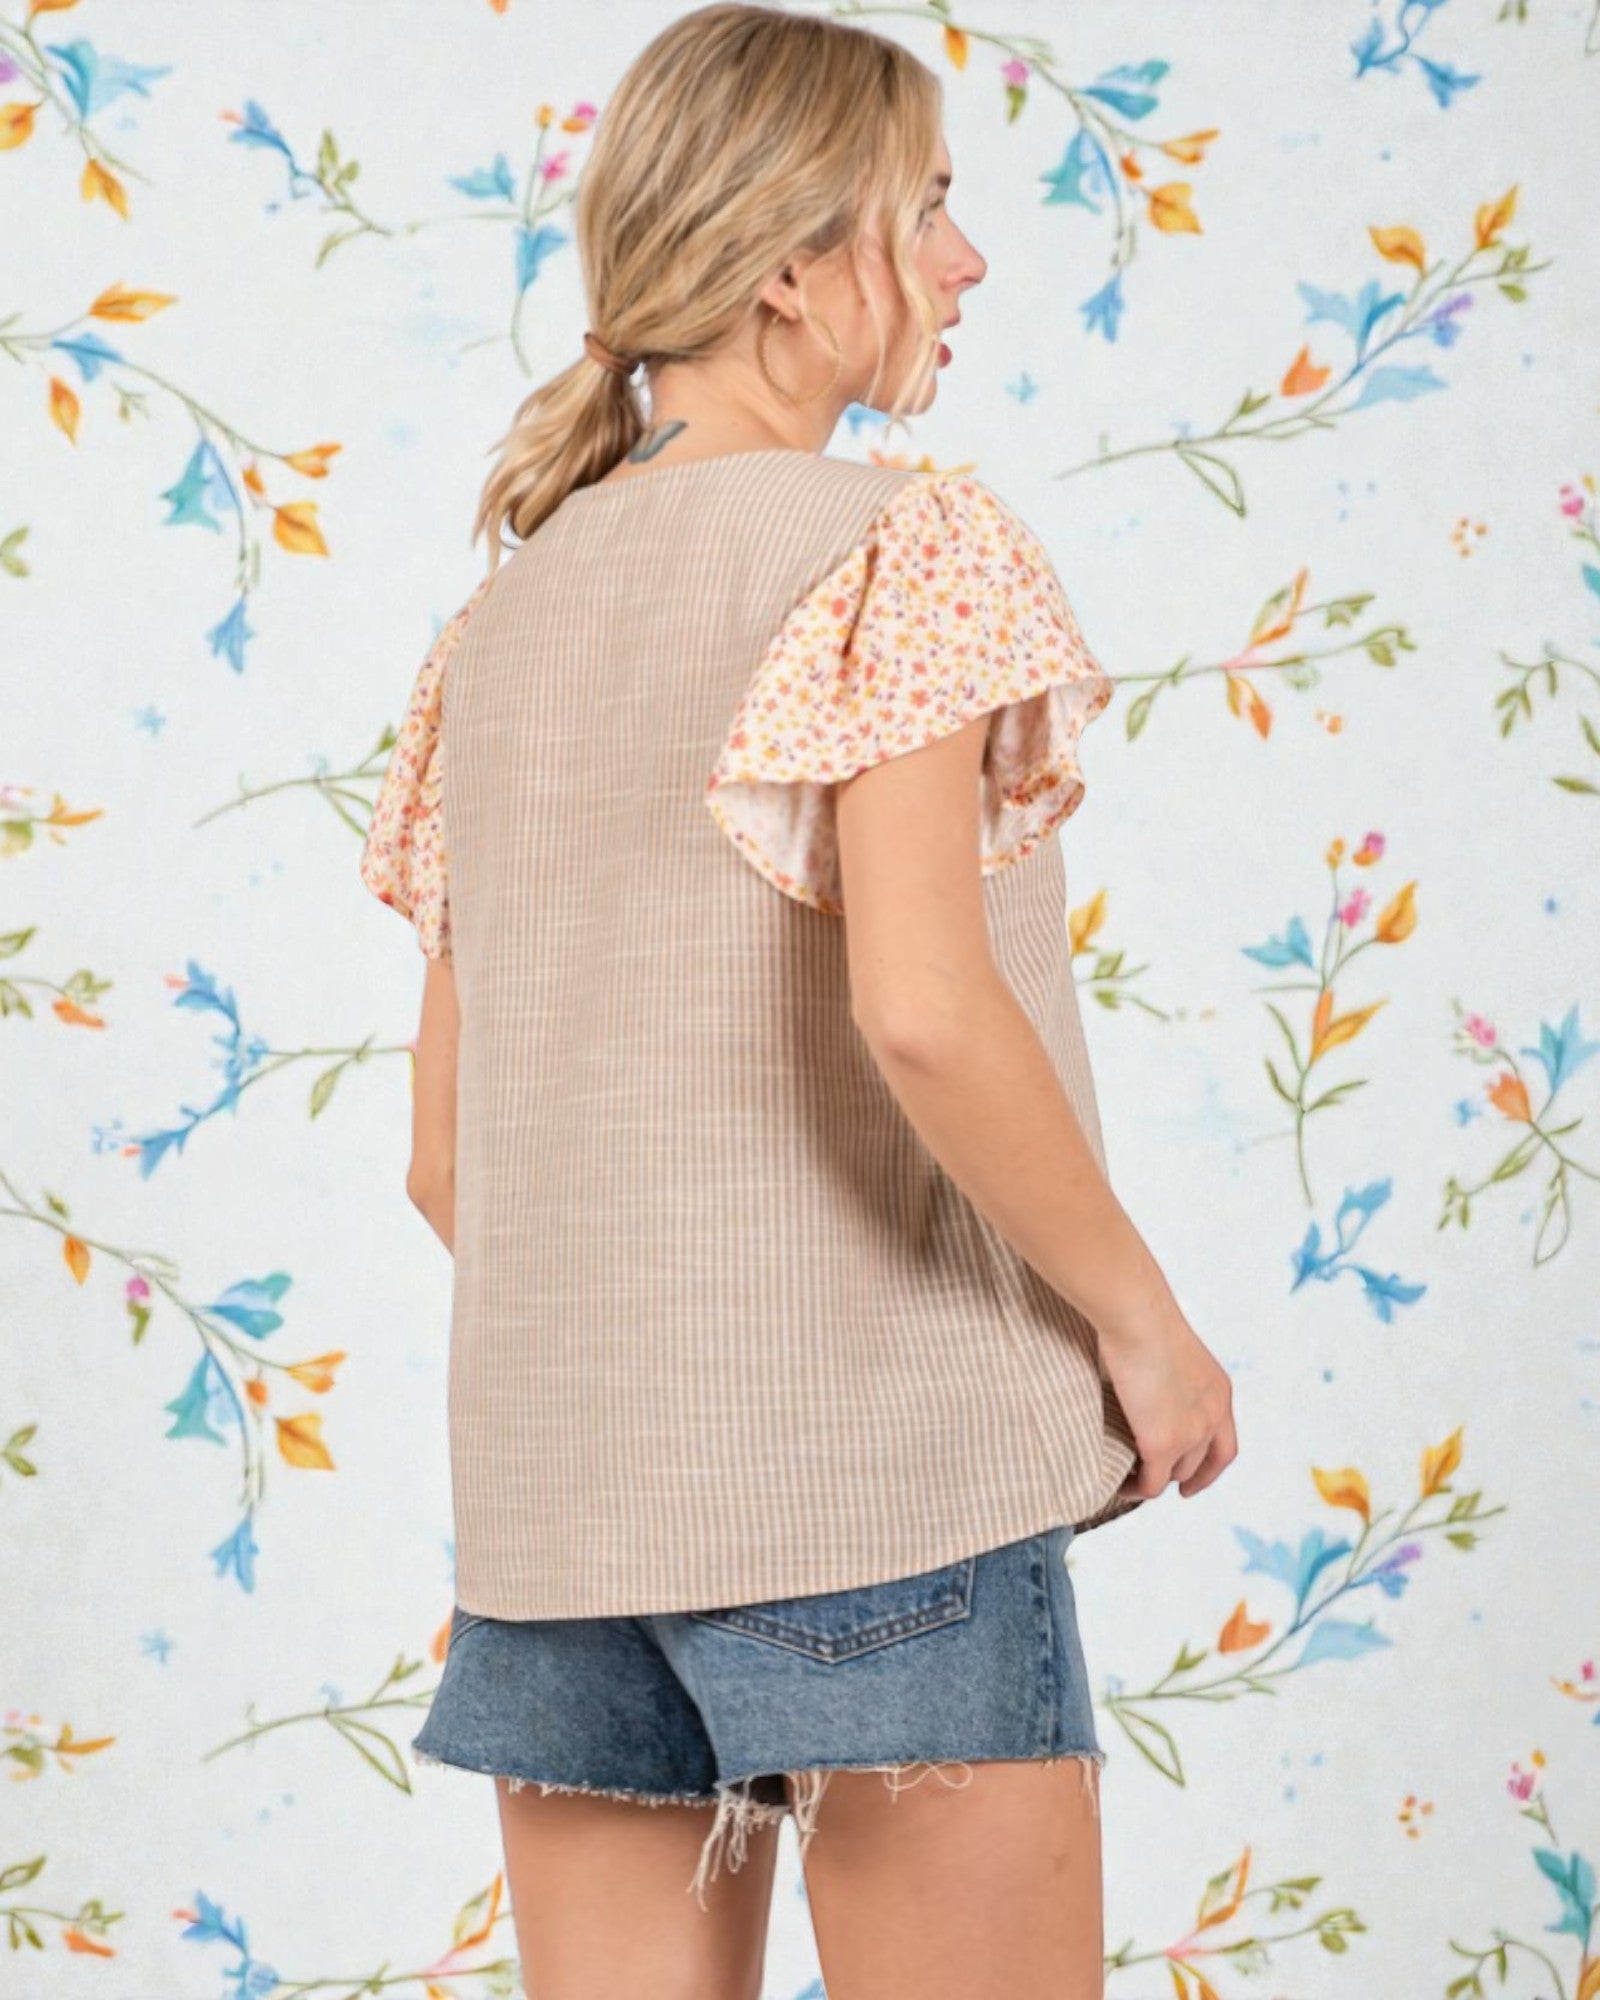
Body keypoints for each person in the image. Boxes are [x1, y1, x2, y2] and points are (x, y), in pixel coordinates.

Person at [358, 6, 1236, 1996]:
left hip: (563, 1534)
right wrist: (1140, 1322)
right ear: (787, 260)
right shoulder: (891, 546)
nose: (963, 260)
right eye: (925, 207)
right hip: (877, 1495)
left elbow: (442, 1155)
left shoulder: (495, 632)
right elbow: (920, 1008)